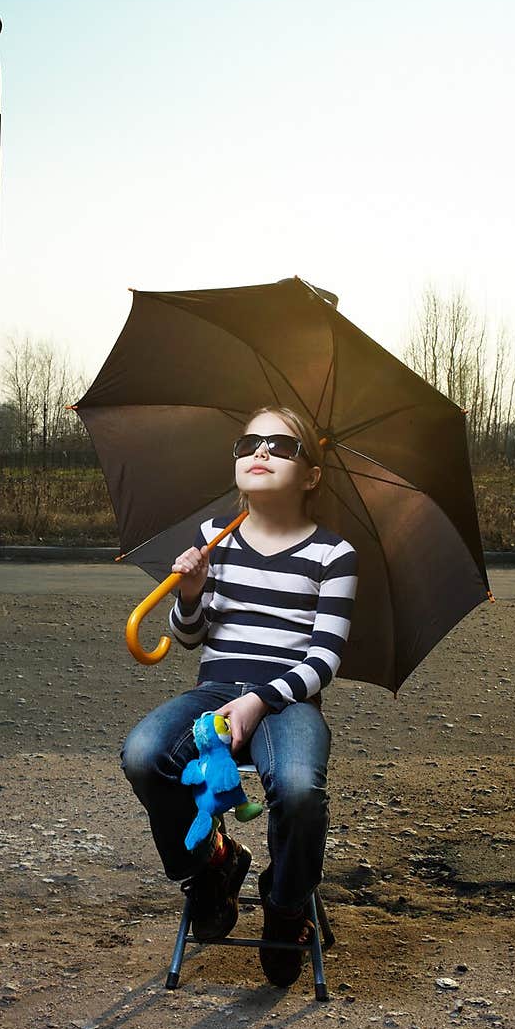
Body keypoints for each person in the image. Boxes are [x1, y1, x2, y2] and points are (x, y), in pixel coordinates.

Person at [121, 407, 358, 986]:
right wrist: (192, 593)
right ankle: (211, 868)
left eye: (281, 445)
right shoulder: (213, 539)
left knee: (300, 790)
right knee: (144, 755)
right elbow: (188, 636)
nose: (261, 451)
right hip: (216, 690)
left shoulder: (334, 554)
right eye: (249, 442)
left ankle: (284, 905)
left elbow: (324, 660)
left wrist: (261, 702)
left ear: (310, 475)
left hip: (290, 700)